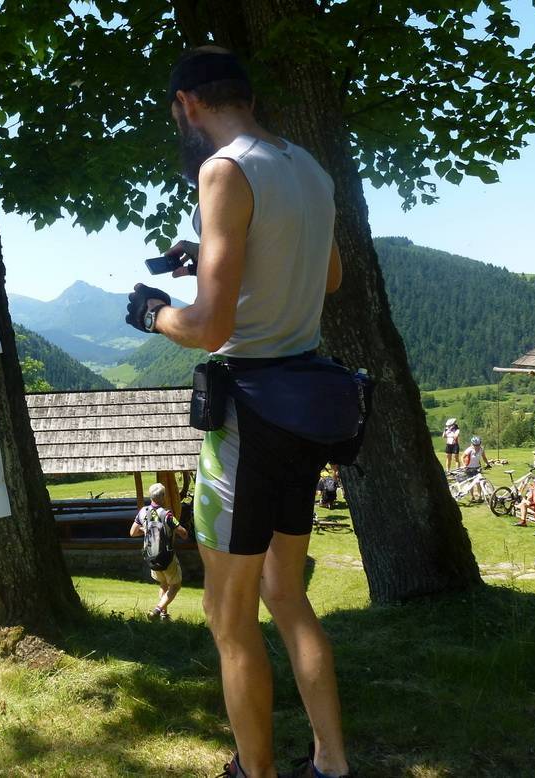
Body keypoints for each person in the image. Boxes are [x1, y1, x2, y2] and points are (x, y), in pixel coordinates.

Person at [125, 47, 352, 778]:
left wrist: (153, 312)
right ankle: (332, 765)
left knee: (228, 615)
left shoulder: (223, 170)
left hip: (247, 415)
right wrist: (215, 256)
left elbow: (208, 327)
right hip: (306, 404)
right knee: (287, 595)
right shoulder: (307, 168)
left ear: (187, 104)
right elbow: (329, 275)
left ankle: (256, 772)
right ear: (246, 95)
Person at [129, 482, 188, 620]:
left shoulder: (143, 512)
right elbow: (183, 534)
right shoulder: (167, 515)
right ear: (162, 497)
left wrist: (146, 530)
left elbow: (133, 533)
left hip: (151, 557)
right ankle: (156, 611)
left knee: (164, 583)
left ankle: (164, 615)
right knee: (175, 586)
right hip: (167, 557)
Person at [461, 435, 491, 501]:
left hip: (477, 467)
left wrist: (488, 464)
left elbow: (484, 457)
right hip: (469, 468)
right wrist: (464, 465)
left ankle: (479, 496)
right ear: (472, 444)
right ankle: (472, 497)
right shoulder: (469, 450)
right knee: (470, 483)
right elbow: (462, 457)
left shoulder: (481, 449)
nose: (477, 446)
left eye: (478, 445)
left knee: (478, 482)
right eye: (475, 445)